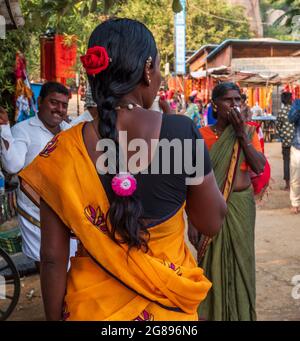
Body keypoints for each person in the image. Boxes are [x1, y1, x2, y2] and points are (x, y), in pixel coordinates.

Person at [19, 18, 226, 321]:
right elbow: (211, 222)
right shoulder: (181, 132)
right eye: (157, 68)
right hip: (168, 310)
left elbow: (51, 258)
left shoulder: (63, 150)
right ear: (146, 68)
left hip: (90, 308)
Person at [188, 82, 266, 321]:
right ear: (214, 104)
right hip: (210, 209)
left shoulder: (250, 133)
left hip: (240, 207)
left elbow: (259, 166)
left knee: (242, 262)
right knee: (211, 265)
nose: (235, 105)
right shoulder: (201, 136)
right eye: (228, 100)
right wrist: (192, 221)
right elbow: (191, 181)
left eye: (238, 100)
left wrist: (241, 133)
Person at [0, 82, 77, 269]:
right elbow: (12, 165)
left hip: (68, 216)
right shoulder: (23, 129)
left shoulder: (70, 131)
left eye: (64, 105)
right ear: (40, 101)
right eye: (53, 102)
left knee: (74, 272)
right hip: (36, 217)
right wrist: (3, 128)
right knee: (50, 271)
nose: (59, 109)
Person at [276, 92, 294, 191]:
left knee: (286, 162)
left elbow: (278, 126)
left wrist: (283, 136)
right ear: (290, 99)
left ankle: (288, 185)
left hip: (286, 142)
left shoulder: (281, 111)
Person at [288, 99, 300, 214]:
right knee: (296, 178)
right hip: (298, 147)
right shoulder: (297, 103)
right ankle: (295, 203)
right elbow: (291, 119)